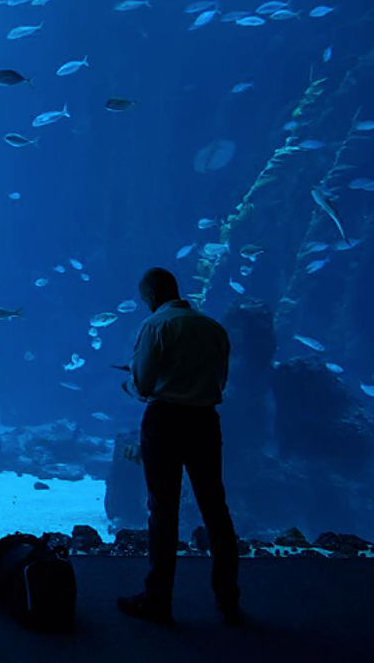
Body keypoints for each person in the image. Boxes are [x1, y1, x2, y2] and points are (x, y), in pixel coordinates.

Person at [118, 267, 241, 625]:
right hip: (205, 421)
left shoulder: (156, 325)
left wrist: (131, 383)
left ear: (151, 296)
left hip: (166, 421)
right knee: (215, 508)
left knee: (163, 509)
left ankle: (158, 598)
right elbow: (221, 380)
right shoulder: (213, 327)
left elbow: (143, 383)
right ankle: (228, 597)